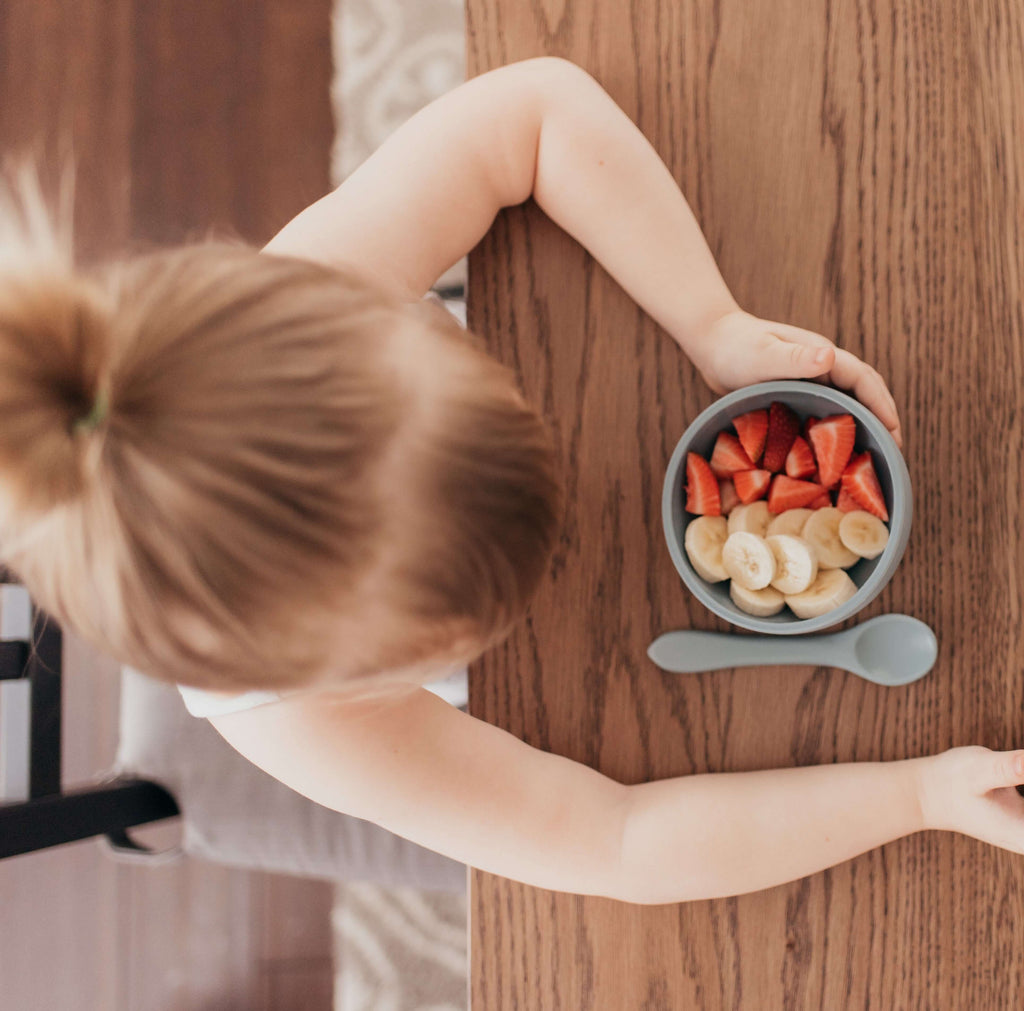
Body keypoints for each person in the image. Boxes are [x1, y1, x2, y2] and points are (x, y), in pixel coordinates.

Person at [1, 58, 1020, 904]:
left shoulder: (314, 287)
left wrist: (712, 324)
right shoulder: (295, 720)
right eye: (459, 623)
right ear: (356, 678)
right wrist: (917, 798)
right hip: (564, 697)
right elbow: (614, 843)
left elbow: (528, 113)